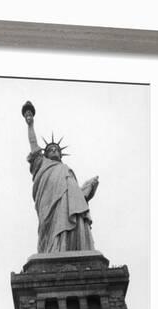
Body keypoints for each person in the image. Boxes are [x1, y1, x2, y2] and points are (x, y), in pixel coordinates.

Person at [22, 101, 99, 253]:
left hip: (68, 206)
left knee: (73, 218)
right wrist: (30, 125)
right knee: (53, 224)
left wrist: (88, 188)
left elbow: (77, 199)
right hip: (49, 204)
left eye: (56, 149)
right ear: (46, 154)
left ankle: (71, 247)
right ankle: (55, 249)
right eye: (50, 149)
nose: (54, 151)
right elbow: (33, 143)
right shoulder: (42, 163)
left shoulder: (66, 170)